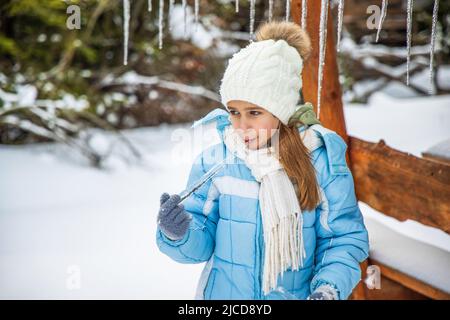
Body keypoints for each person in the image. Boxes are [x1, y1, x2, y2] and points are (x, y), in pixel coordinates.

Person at [155, 20, 369, 300]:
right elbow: (202, 243)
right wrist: (179, 233)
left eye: (254, 112)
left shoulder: (319, 161)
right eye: (233, 111)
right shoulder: (216, 161)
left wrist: (328, 288)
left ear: (280, 110)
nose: (241, 125)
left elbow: (342, 239)